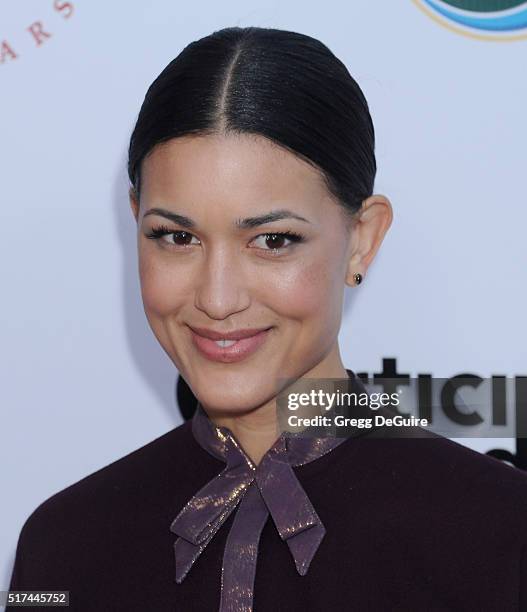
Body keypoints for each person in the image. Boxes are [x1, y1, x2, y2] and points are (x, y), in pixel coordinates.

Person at [6, 26, 527, 611]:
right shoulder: (60, 548)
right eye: (176, 236)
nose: (219, 298)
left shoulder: (505, 534)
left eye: (273, 241)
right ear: (135, 223)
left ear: (362, 238)